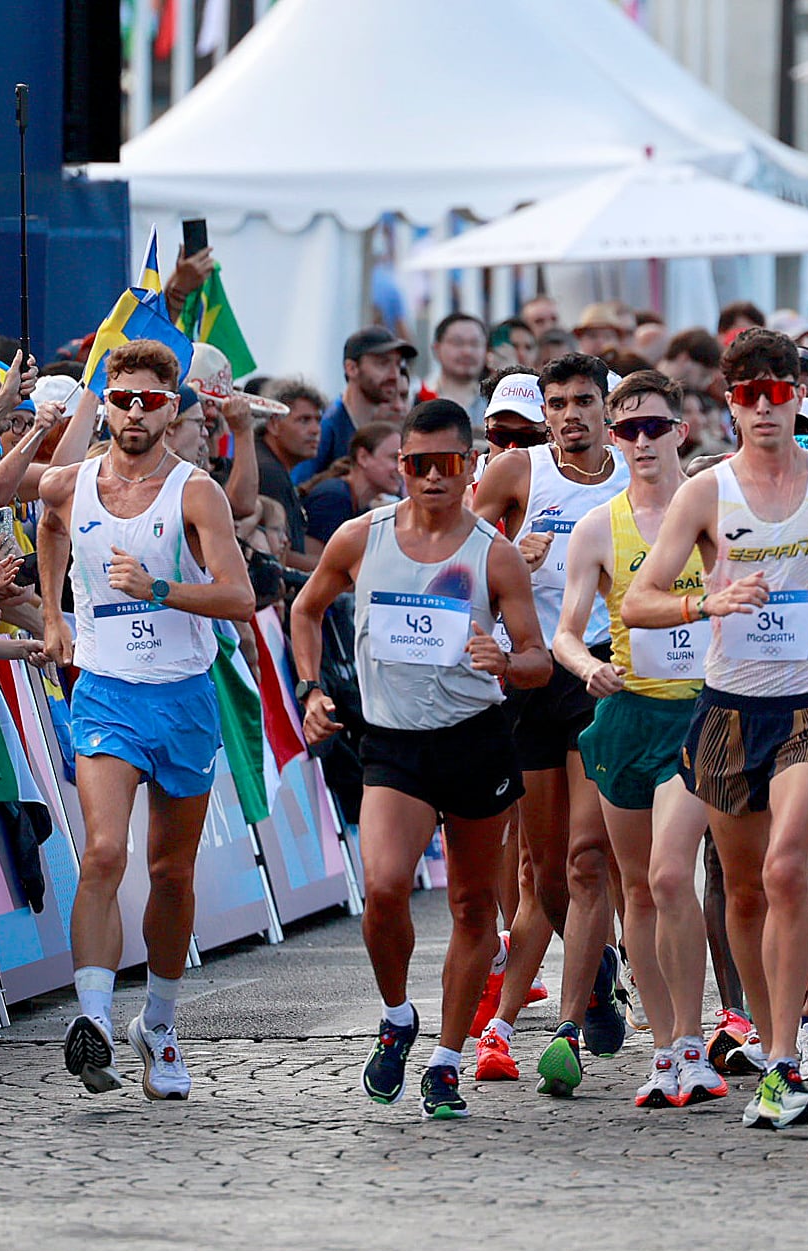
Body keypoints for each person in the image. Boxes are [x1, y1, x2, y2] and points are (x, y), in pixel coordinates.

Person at [624, 328, 808, 1129]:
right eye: (747, 396)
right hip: (730, 706)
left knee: (785, 868)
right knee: (741, 888)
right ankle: (769, 1040)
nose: (764, 408)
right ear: (728, 405)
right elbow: (641, 602)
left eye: (777, 393)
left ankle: (784, 1057)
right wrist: (709, 603)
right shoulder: (706, 494)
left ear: (796, 397)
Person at [291, 398, 549, 1120]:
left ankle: (443, 1058)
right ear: (399, 466)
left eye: (448, 465)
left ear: (470, 469)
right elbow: (305, 608)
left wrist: (506, 657)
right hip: (395, 744)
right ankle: (398, 1014)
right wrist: (310, 686)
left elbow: (535, 660)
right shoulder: (359, 537)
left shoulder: (493, 553)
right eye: (417, 464)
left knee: (472, 905)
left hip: (474, 739)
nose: (432, 478)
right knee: (383, 888)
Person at [36, 339, 256, 1100]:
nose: (133, 413)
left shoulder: (196, 493)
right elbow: (46, 522)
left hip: (183, 695)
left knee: (171, 870)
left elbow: (239, 598)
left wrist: (161, 590)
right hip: (105, 689)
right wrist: (53, 611)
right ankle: (92, 1018)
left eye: (149, 401)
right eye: (121, 398)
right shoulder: (72, 483)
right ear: (107, 402)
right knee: (101, 853)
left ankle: (158, 1024)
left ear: (173, 408)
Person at [551, 370, 728, 1109]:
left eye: (655, 427)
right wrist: (589, 666)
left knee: (667, 875)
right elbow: (565, 632)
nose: (642, 441)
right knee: (636, 893)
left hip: (698, 717)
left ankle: (696, 1037)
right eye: (628, 430)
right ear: (614, 440)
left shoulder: (715, 514)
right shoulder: (599, 527)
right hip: (626, 717)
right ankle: (665, 1048)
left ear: (681, 430)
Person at [470, 352, 633, 1086]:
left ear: (606, 408)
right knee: (541, 873)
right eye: (558, 403)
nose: (570, 415)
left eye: (583, 402)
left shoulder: (639, 468)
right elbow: (448, 556)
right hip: (529, 671)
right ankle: (584, 976)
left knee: (586, 857)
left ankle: (563, 1027)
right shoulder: (516, 472)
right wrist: (505, 552)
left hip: (603, 671)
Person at [298, 326, 415, 482]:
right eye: (382, 364)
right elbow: (298, 491)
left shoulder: (373, 427)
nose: (394, 375)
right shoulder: (327, 427)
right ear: (351, 368)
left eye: (398, 365)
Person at [255, 379, 325, 572]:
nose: (315, 430)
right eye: (304, 420)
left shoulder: (271, 465)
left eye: (318, 420)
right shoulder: (267, 472)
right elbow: (280, 554)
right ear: (274, 424)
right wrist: (337, 571)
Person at [302, 425, 401, 546]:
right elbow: (312, 560)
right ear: (363, 457)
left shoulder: (360, 506)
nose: (402, 469)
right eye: (395, 458)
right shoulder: (333, 498)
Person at [421, 314, 490, 431]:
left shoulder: (495, 401)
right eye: (458, 343)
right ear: (436, 349)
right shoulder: (416, 398)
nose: (467, 351)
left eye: (475, 343)